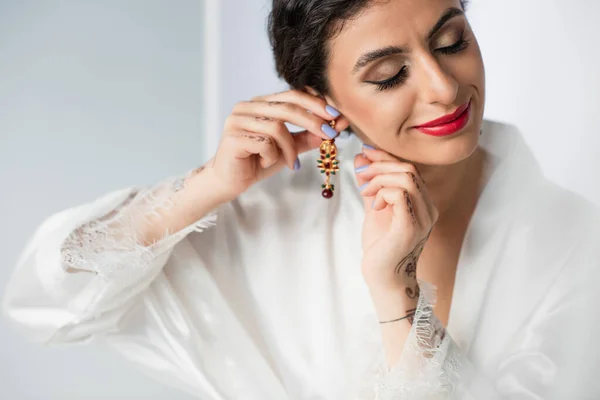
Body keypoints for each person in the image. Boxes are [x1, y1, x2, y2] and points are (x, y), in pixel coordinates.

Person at [3, 0, 600, 398]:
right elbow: (44, 299)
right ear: (320, 99)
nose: (445, 88)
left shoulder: (578, 244)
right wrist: (209, 185)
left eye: (451, 41)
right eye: (390, 75)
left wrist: (398, 294)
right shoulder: (274, 216)